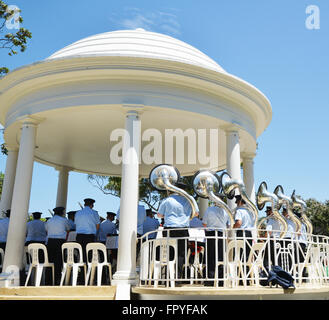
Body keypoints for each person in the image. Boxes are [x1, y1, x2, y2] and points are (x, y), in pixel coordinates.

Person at [157, 189, 198, 281]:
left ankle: (168, 277)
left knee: (170, 253)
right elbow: (196, 213)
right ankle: (177, 276)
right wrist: (186, 215)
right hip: (183, 229)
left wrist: (167, 215)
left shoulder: (167, 200)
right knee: (181, 254)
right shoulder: (189, 199)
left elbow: (159, 215)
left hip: (169, 229)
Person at [202, 205, 231, 286]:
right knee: (221, 257)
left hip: (211, 234)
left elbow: (204, 223)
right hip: (221, 234)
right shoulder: (226, 210)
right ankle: (221, 279)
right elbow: (228, 224)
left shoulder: (209, 209)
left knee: (210, 257)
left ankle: (210, 279)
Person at [45, 206, 71, 285]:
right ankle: (57, 280)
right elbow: (68, 229)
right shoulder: (64, 220)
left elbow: (46, 230)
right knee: (58, 261)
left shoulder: (49, 221)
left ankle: (48, 280)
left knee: (50, 261)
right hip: (60, 242)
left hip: (50, 242)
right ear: (61, 213)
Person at [75, 198, 100, 262]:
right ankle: (87, 270)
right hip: (89, 236)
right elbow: (97, 226)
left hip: (79, 236)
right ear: (92, 205)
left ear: (84, 204)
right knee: (88, 255)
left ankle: (81, 270)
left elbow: (76, 225)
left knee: (80, 255)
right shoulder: (94, 213)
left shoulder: (77, 213)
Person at [233, 195, 254, 261]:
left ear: (240, 202)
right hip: (249, 233)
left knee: (240, 253)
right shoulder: (250, 211)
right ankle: (246, 269)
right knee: (247, 254)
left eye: (237, 202)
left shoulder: (239, 211)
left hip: (241, 233)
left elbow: (239, 223)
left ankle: (241, 269)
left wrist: (233, 226)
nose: (236, 204)